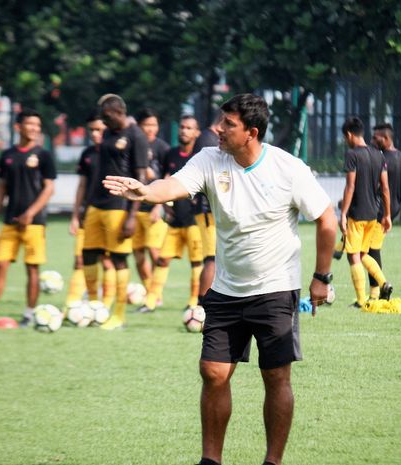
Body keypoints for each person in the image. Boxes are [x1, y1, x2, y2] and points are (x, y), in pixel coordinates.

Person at [103, 94, 336, 465]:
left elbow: (327, 219)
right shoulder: (210, 159)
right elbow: (175, 184)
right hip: (226, 291)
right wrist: (146, 192)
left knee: (276, 377)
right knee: (212, 373)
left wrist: (321, 277)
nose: (218, 129)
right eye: (220, 121)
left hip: (276, 290)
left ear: (251, 132)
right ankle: (210, 461)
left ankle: (272, 461)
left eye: (228, 124)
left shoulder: (287, 168)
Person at [81, 94, 149, 330]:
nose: (104, 122)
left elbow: (141, 177)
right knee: (88, 254)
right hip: (95, 204)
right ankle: (93, 308)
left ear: (119, 112)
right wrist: (85, 205)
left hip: (118, 207)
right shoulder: (108, 133)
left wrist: (132, 216)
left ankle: (119, 314)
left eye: (107, 117)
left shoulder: (136, 135)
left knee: (118, 259)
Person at [0, 108, 56, 326]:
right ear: (18, 127)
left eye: (37, 125)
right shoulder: (8, 155)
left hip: (34, 224)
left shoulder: (44, 155)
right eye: (30, 124)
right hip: (10, 221)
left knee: (32, 268)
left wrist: (31, 213)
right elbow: (1, 188)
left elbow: (49, 188)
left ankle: (29, 313)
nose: (34, 128)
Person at [138, 115, 203, 313]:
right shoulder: (171, 154)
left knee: (197, 262)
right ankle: (151, 301)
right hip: (174, 220)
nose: (184, 131)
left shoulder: (201, 157)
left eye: (189, 128)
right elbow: (165, 180)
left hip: (194, 221)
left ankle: (193, 302)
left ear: (196, 133)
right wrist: (163, 205)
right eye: (182, 127)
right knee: (162, 259)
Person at [339, 116, 392, 308]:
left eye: (346, 137)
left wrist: (343, 214)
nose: (346, 141)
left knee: (353, 256)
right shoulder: (379, 154)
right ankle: (384, 283)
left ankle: (361, 301)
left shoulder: (352, 155)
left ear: (350, 134)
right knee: (362, 254)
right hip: (373, 213)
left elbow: (350, 186)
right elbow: (385, 188)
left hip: (357, 213)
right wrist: (386, 215)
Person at [65, 113, 115, 306]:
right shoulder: (87, 154)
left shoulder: (114, 152)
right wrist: (75, 215)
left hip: (111, 213)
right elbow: (82, 186)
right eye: (92, 130)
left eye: (99, 130)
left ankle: (106, 305)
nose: (95, 134)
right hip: (89, 214)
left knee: (108, 260)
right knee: (80, 259)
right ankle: (74, 303)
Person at [366, 122, 401, 299]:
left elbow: (378, 186)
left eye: (376, 137)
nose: (372, 140)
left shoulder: (380, 159)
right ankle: (376, 293)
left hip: (380, 209)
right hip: (392, 209)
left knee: (368, 251)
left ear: (386, 138)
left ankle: (379, 290)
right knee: (371, 249)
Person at [133, 108, 170, 295]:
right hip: (134, 209)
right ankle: (149, 293)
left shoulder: (162, 148)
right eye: (146, 125)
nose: (150, 129)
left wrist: (158, 206)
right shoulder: (133, 145)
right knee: (138, 255)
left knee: (154, 252)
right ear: (139, 126)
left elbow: (167, 178)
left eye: (153, 125)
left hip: (154, 209)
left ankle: (156, 295)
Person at [192, 114, 222, 303]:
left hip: (209, 209)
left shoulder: (208, 138)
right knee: (211, 259)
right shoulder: (208, 140)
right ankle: (202, 306)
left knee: (214, 259)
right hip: (207, 210)